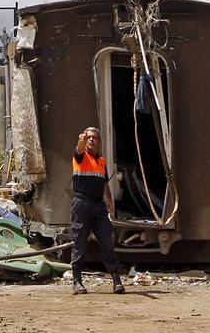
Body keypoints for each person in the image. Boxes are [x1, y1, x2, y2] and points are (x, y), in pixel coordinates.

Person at [70, 126, 123, 295]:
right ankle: (77, 281)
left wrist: (109, 203)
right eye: (89, 137)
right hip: (82, 204)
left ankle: (116, 280)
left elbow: (105, 184)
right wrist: (81, 141)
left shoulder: (101, 161)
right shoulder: (80, 156)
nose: (91, 140)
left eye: (94, 137)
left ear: (99, 141)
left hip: (98, 206)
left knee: (107, 241)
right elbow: (78, 149)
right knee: (80, 243)